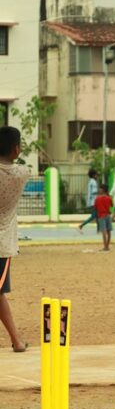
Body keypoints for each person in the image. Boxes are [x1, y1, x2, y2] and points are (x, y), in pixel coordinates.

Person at [0, 127, 29, 352]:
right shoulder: (22, 174)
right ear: (16, 149)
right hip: (2, 245)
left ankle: (17, 340)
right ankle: (17, 341)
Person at [77, 169, 98, 233]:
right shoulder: (93, 182)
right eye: (96, 175)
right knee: (94, 216)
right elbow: (94, 192)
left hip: (91, 201)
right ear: (94, 175)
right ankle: (81, 226)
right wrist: (101, 193)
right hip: (93, 202)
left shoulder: (90, 181)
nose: (97, 176)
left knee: (97, 216)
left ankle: (99, 230)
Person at [94, 184, 113, 251]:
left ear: (102, 190)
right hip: (108, 215)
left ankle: (105, 246)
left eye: (100, 188)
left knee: (104, 231)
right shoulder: (109, 198)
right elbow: (111, 205)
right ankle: (107, 246)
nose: (99, 190)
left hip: (101, 216)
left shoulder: (97, 198)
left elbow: (95, 208)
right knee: (109, 231)